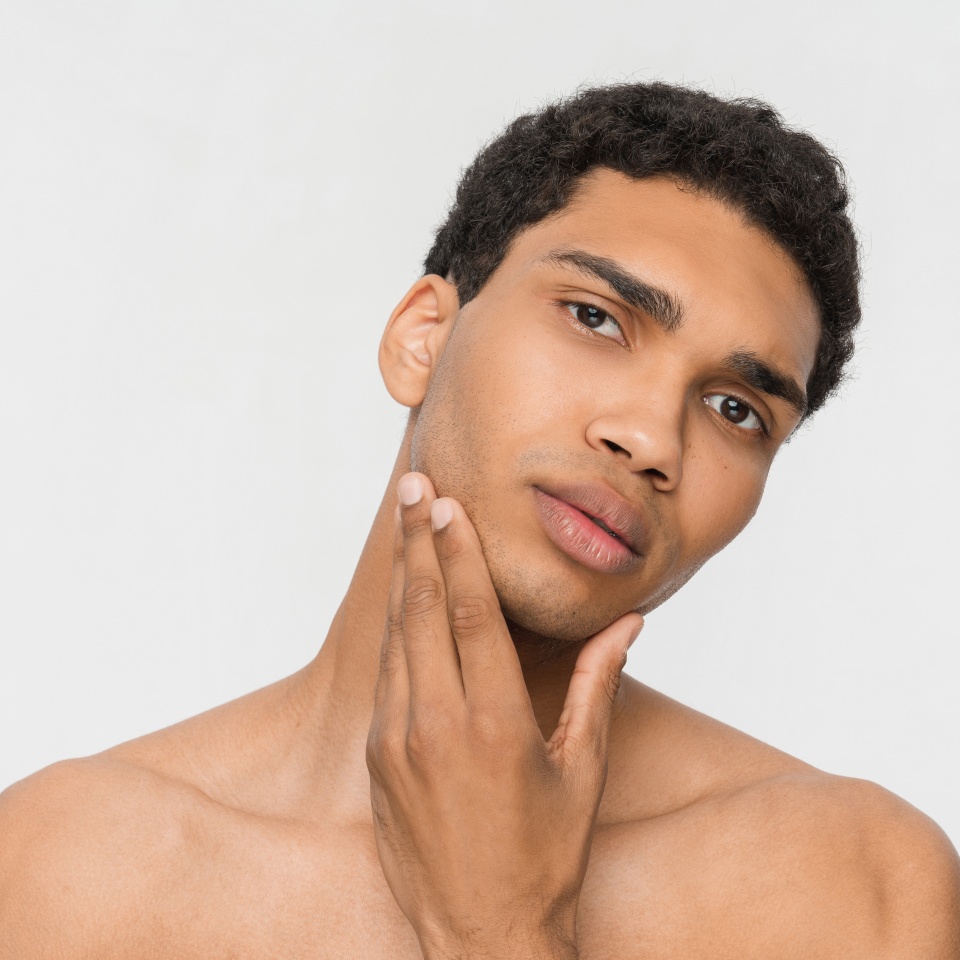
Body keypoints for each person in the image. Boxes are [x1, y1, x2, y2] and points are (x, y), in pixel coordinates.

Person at [1, 81, 957, 959]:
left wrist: (501, 931)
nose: (649, 438)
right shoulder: (64, 875)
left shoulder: (855, 889)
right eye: (595, 317)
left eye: (737, 410)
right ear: (424, 337)